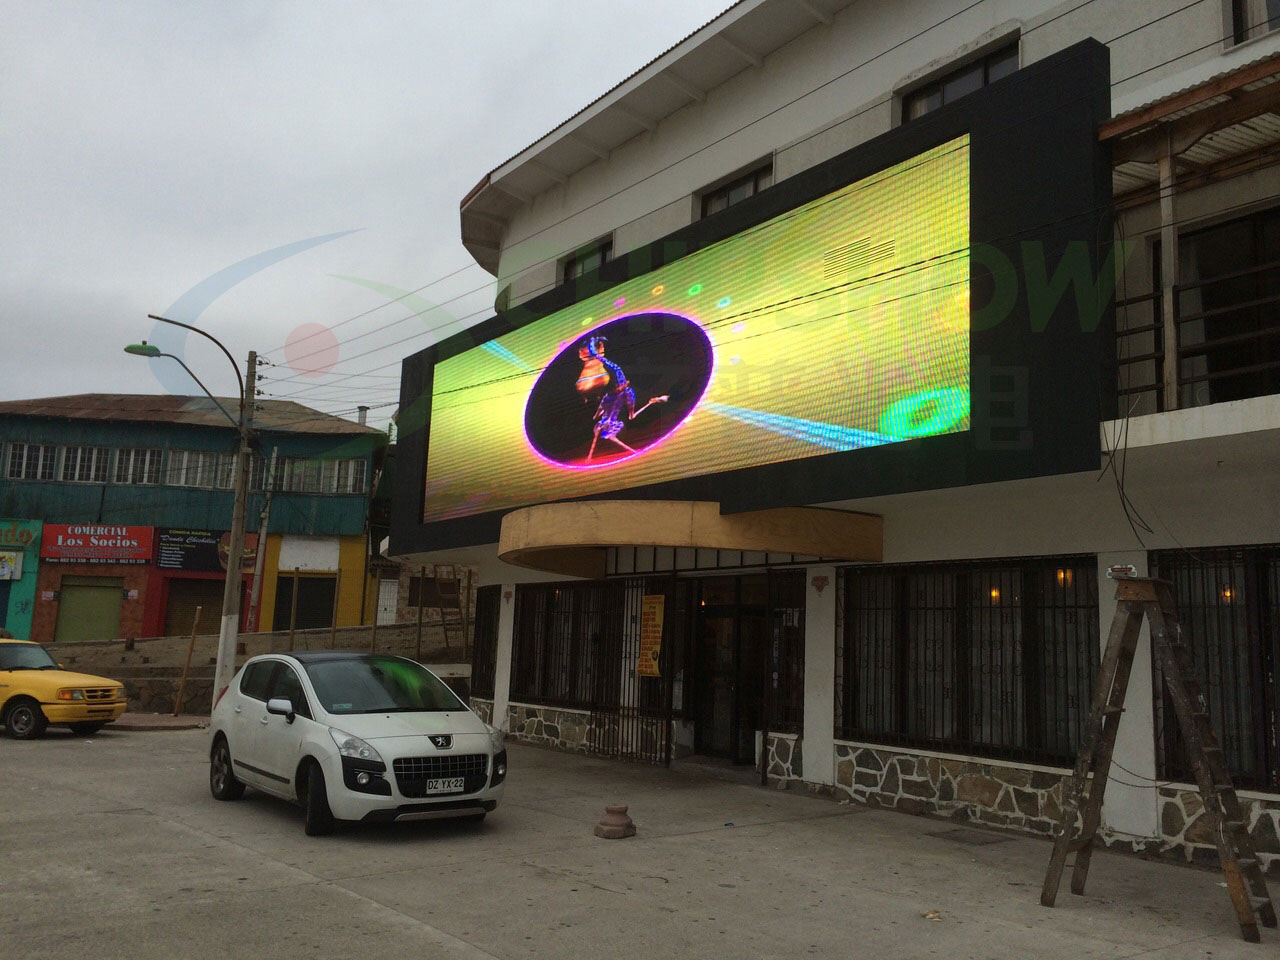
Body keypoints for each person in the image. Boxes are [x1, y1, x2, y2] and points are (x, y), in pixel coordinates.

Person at [577, 336, 668, 461]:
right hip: (609, 413)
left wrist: (650, 402)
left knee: (617, 372)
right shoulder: (611, 395)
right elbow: (602, 412)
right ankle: (592, 455)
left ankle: (596, 455)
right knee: (615, 370)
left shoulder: (625, 393)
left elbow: (631, 415)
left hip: (614, 411)